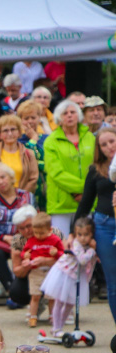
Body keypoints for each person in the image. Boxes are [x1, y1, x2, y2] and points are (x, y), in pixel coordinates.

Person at [77, 128, 116, 321]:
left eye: (112, 141)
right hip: (105, 226)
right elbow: (85, 202)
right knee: (113, 281)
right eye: (104, 144)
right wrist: (72, 232)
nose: (109, 146)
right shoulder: (95, 169)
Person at [44, 100, 96, 236]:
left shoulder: (90, 137)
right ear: (58, 119)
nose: (69, 115)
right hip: (61, 203)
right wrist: (84, 189)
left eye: (73, 112)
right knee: (62, 246)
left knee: (86, 246)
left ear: (78, 116)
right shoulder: (51, 141)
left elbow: (97, 166)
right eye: (65, 113)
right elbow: (56, 173)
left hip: (88, 202)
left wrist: (87, 194)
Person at [0, 162, 34, 297]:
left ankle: (27, 290)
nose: (0, 182)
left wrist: (19, 237)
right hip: (0, 240)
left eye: (3, 177)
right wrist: (3, 237)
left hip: (23, 238)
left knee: (27, 253)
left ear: (11, 177)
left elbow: (33, 219)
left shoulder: (26, 196)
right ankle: (11, 289)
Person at [40, 217, 96, 337]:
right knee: (60, 301)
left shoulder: (86, 245)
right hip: (65, 274)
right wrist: (92, 250)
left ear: (91, 234)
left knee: (70, 303)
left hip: (76, 277)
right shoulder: (76, 243)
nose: (82, 238)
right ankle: (56, 328)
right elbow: (82, 260)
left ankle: (60, 326)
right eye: (79, 234)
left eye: (86, 234)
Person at [0, 115, 39, 194]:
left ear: (19, 132)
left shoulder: (28, 153)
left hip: (23, 200)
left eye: (13, 129)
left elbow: (33, 179)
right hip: (0, 201)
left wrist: (20, 197)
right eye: (5, 131)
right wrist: (4, 198)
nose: (9, 133)